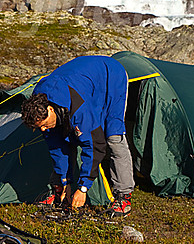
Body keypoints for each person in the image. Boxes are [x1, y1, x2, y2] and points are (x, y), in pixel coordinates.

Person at [20, 55, 134, 217]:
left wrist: (83, 188)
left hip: (110, 77)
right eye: (40, 127)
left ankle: (124, 196)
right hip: (81, 81)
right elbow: (57, 147)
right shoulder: (39, 106)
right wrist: (65, 182)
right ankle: (58, 188)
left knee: (113, 137)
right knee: (62, 138)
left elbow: (95, 145)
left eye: (45, 124)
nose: (44, 129)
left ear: (51, 110)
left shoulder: (79, 109)